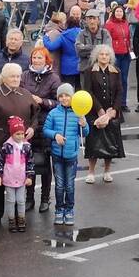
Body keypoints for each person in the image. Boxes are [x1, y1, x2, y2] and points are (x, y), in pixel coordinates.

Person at [0, 62, 40, 228]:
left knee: (21, 180)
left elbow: (36, 115)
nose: (16, 79)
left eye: (18, 76)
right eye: (12, 76)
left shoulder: (26, 93)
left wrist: (33, 128)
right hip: (1, 147)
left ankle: (19, 213)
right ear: (4, 77)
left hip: (22, 149)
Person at [20, 46, 60, 213]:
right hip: (28, 125)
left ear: (46, 60)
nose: (36, 60)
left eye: (40, 58)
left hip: (46, 125)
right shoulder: (24, 75)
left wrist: (42, 101)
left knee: (44, 164)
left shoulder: (53, 78)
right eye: (34, 57)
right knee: (29, 163)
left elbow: (59, 102)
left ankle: (45, 198)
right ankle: (29, 198)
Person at [44, 83, 90, 225]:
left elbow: (86, 133)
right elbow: (46, 129)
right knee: (59, 184)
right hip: (57, 155)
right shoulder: (53, 113)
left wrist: (84, 124)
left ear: (72, 97)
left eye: (67, 96)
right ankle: (59, 209)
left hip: (71, 156)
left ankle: (69, 209)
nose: (64, 99)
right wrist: (55, 135)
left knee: (69, 185)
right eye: (61, 96)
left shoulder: (78, 113)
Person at [84, 45, 125, 183]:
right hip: (95, 111)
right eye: (101, 54)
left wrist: (114, 110)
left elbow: (120, 91)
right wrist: (99, 109)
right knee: (93, 142)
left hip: (111, 112)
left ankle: (107, 171)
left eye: (107, 54)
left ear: (110, 57)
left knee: (110, 142)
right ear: (96, 56)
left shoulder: (116, 71)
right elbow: (88, 91)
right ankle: (91, 172)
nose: (104, 57)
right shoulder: (89, 71)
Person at [0, 116, 35, 233]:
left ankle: (21, 219)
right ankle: (11, 220)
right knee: (11, 200)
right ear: (12, 134)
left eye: (22, 134)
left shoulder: (26, 147)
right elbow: (0, 161)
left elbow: (30, 163)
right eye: (17, 134)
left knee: (21, 200)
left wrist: (29, 176)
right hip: (9, 178)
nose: (20, 136)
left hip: (21, 179)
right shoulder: (6, 146)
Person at [44, 11, 82, 89]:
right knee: (79, 89)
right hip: (80, 66)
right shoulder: (82, 34)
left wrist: (45, 38)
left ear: (67, 24)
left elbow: (51, 47)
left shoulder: (63, 36)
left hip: (67, 68)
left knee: (67, 90)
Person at [75, 9, 112, 92]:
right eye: (89, 18)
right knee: (86, 95)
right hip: (85, 70)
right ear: (86, 20)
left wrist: (87, 49)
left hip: (101, 70)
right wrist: (97, 50)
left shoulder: (104, 33)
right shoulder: (81, 34)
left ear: (98, 20)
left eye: (94, 18)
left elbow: (107, 51)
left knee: (101, 94)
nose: (92, 21)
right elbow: (78, 51)